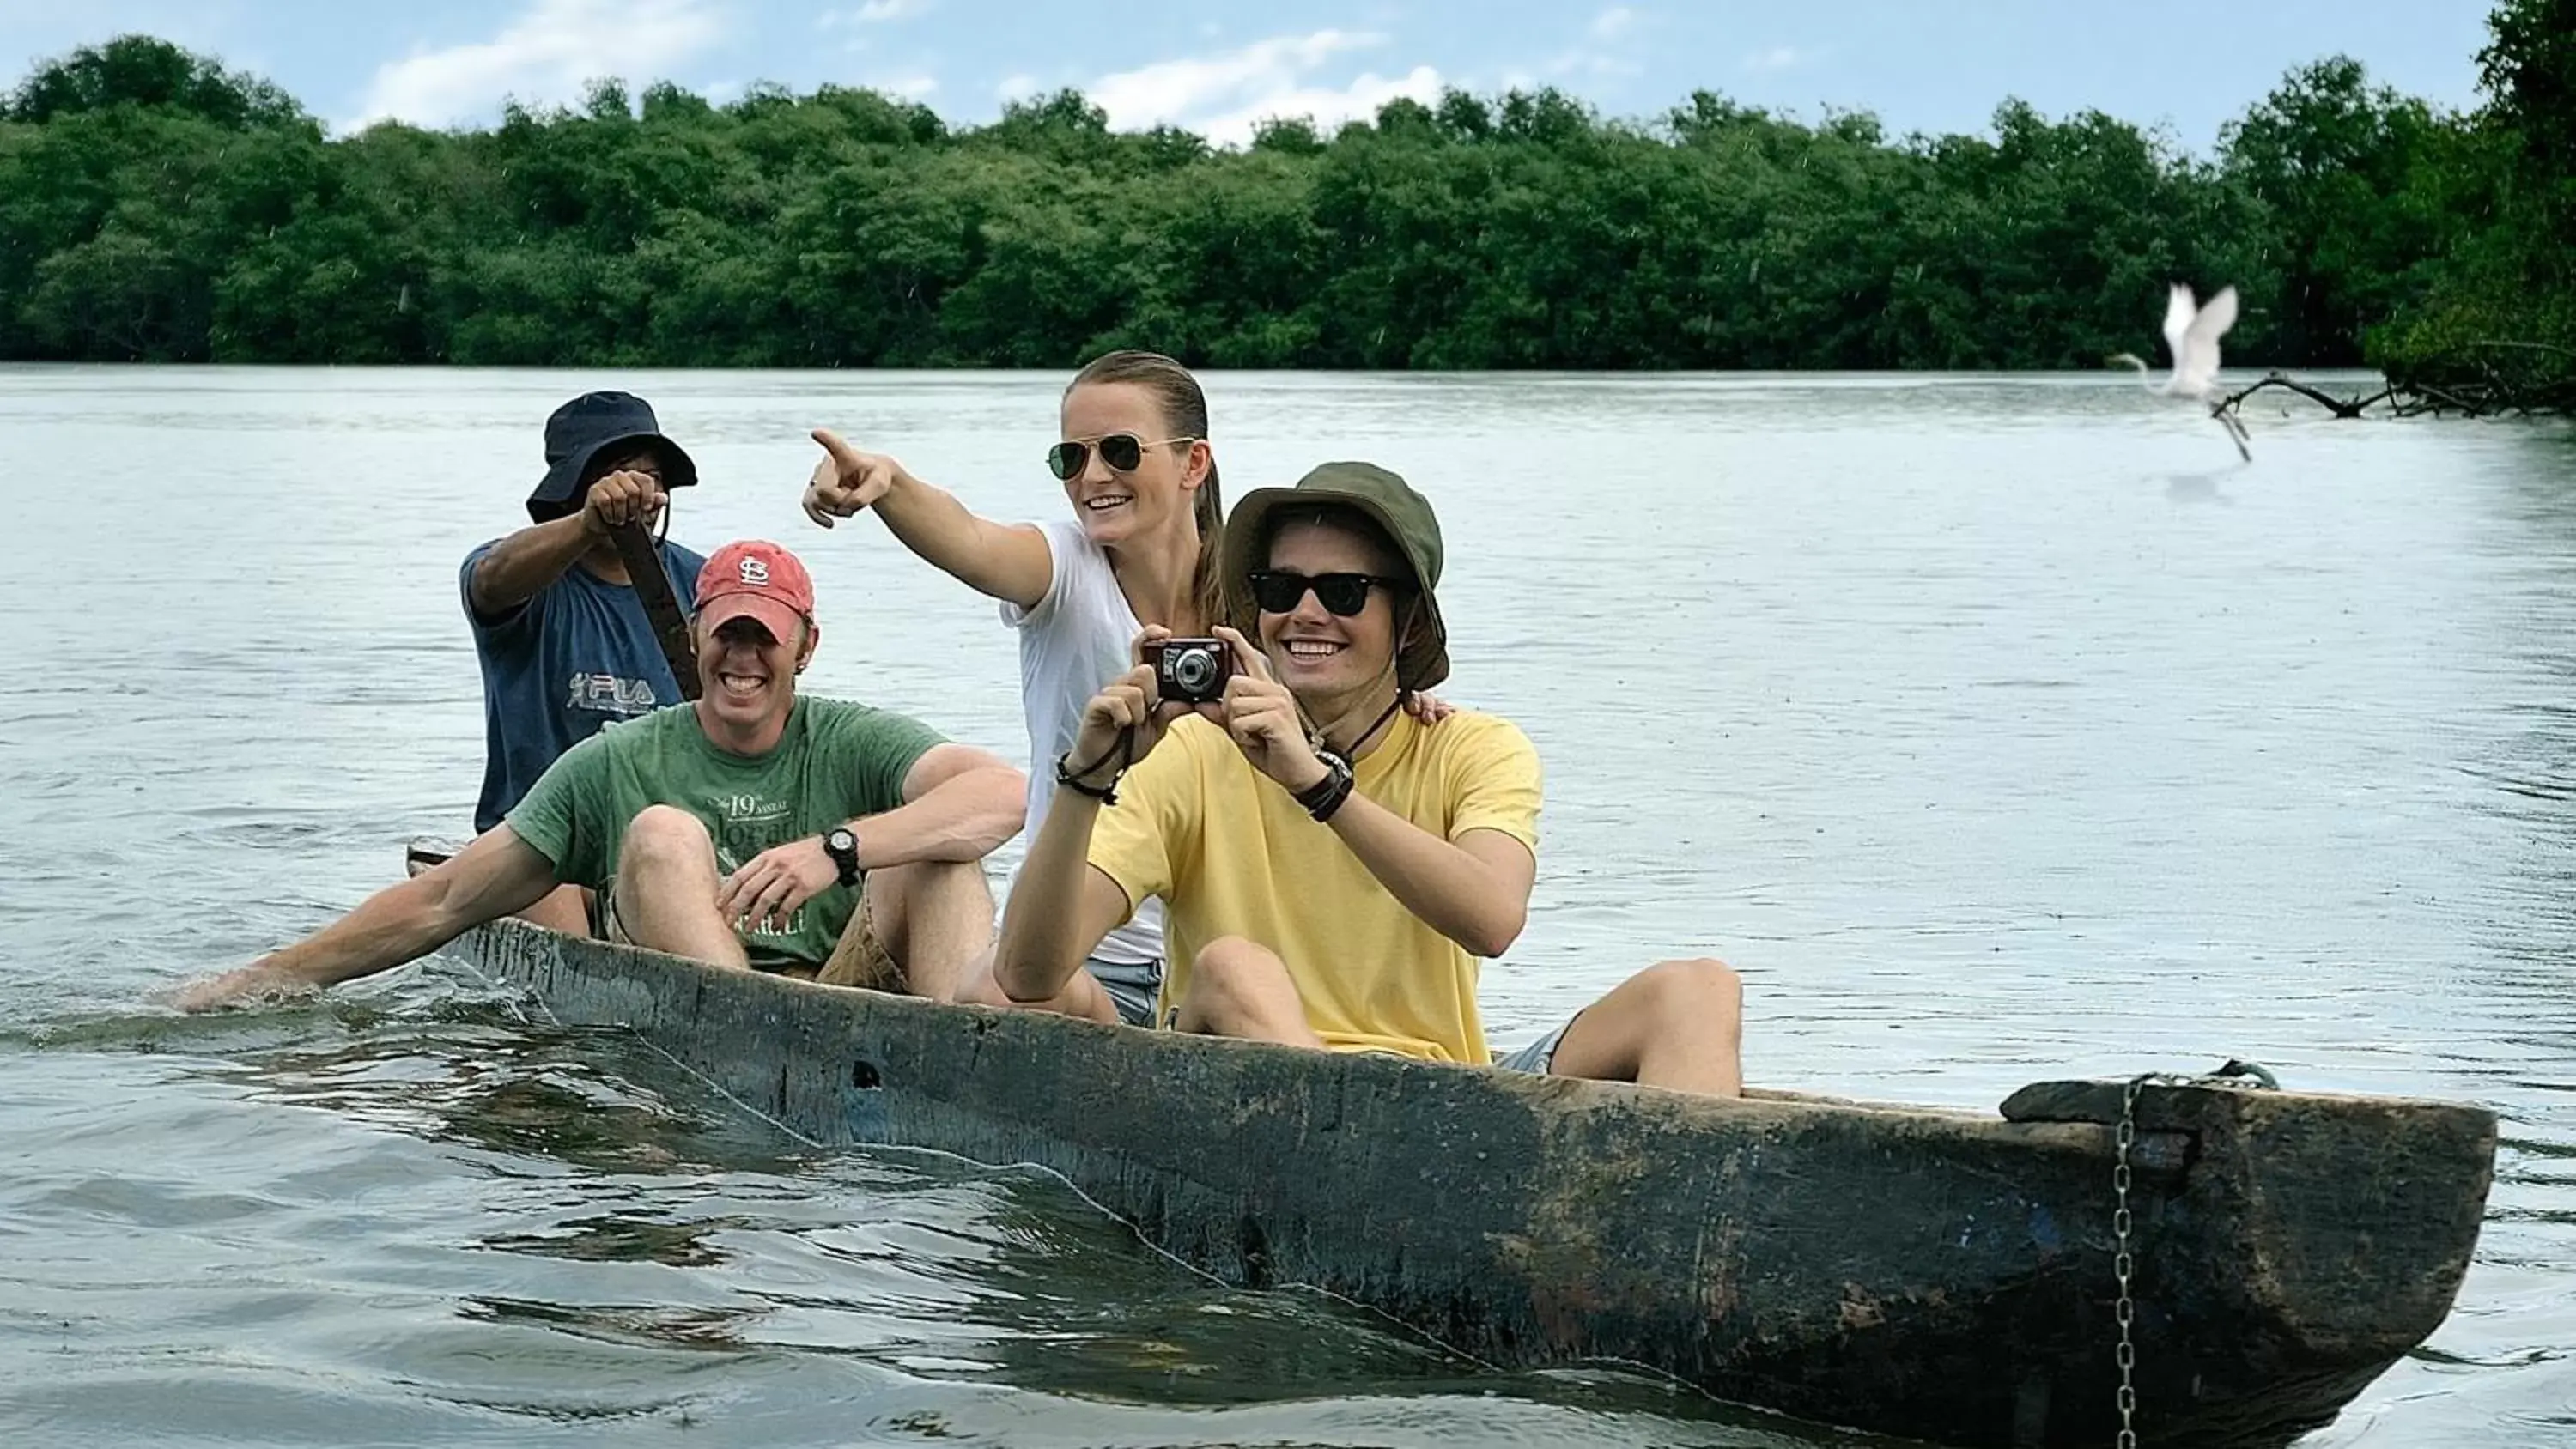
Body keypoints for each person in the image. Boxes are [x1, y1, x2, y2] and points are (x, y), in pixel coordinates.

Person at [989, 464, 1746, 1095]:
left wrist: (1317, 784)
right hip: (1250, 1088)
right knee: (1232, 964)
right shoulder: (1191, 755)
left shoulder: (1473, 748)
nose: (1306, 615)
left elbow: (1492, 919)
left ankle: (1692, 1241)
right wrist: (1087, 779)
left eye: (1344, 592)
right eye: (1280, 591)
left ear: (1407, 622)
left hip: (1442, 1091)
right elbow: (1028, 974)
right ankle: (1341, 1173)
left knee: (1699, 988)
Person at [173, 541, 1025, 1012]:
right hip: (702, 1015)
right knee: (662, 830)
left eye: (765, 637)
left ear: (805, 646)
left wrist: (838, 848)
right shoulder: (618, 759)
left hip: (838, 999)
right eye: (726, 633)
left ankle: (971, 1047)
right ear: (694, 639)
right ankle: (747, 1025)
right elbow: (444, 901)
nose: (743, 656)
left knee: (941, 845)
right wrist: (263, 978)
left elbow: (1004, 795)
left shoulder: (850, 735)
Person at [797, 351, 1222, 1025]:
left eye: (1119, 451)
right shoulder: (1066, 568)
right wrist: (887, 484)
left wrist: (1410, 701)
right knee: (995, 990)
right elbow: (971, 539)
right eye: (1070, 458)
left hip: (1213, 961)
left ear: (1192, 465)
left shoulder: (1264, 598)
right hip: (1081, 960)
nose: (1094, 477)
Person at [465, 391, 708, 935]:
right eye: (620, 474)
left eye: (650, 475)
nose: (640, 491)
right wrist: (590, 523)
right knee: (551, 888)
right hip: (539, 844)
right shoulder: (524, 579)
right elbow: (492, 580)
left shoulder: (702, 582)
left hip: (662, 848)